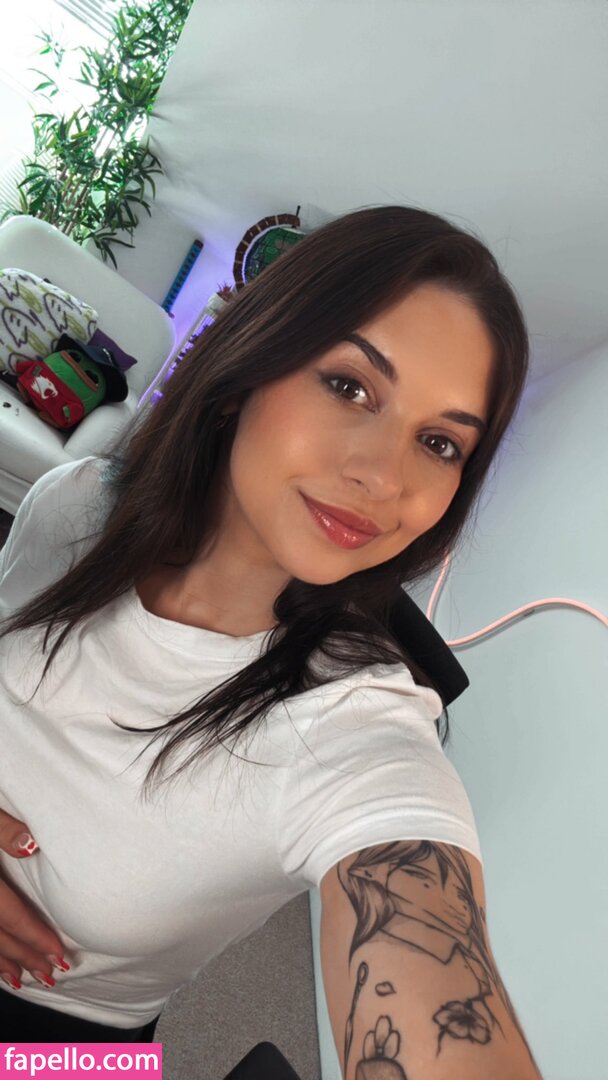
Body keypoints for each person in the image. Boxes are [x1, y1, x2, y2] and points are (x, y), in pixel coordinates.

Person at [0, 206, 542, 1075]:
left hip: (74, 1049)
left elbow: (425, 942)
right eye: (351, 387)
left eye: (440, 443)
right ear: (247, 365)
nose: (384, 477)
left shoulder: (355, 732)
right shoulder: (76, 505)